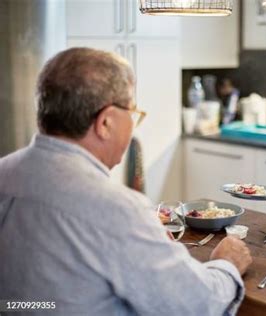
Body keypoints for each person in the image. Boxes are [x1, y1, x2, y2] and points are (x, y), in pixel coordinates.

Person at [0, 47, 252, 315]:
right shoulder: (116, 209)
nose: (133, 125)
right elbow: (197, 304)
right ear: (106, 123)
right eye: (132, 112)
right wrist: (226, 264)